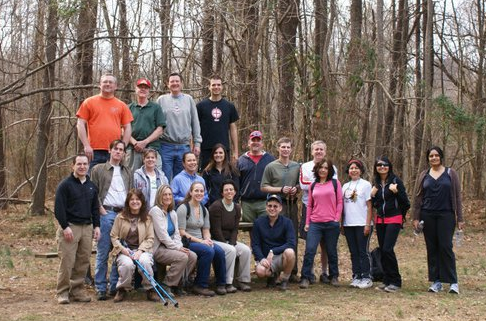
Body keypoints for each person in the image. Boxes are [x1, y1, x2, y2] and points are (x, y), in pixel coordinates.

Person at [412, 146, 464, 294]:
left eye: (436, 155)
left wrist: (460, 218)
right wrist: (416, 217)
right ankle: (436, 281)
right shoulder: (424, 174)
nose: (433, 158)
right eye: (431, 156)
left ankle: (453, 282)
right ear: (428, 159)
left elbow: (458, 197)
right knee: (432, 248)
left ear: (441, 157)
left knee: (446, 247)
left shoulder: (450, 173)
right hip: (427, 215)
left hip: (446, 215)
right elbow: (418, 197)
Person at [54, 154, 101, 304]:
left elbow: (95, 208)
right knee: (67, 261)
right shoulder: (65, 185)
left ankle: (77, 290)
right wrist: (65, 227)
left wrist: (97, 226)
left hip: (87, 227)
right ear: (72, 166)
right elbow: (58, 208)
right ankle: (62, 292)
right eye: (79, 164)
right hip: (70, 227)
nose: (82, 167)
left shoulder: (92, 186)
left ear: (88, 166)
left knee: (83, 261)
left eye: (85, 164)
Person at [91, 140, 133, 300]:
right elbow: (93, 192)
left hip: (123, 215)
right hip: (106, 212)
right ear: (110, 150)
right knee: (103, 251)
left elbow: (130, 194)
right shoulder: (98, 169)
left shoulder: (127, 171)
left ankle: (115, 285)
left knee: (120, 251)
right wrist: (100, 210)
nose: (118, 152)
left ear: (124, 153)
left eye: (121, 150)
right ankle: (100, 286)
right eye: (116, 149)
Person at [177, 182, 227, 296]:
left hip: (201, 241)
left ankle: (221, 284)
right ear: (190, 192)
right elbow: (181, 232)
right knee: (208, 251)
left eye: (201, 191)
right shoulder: (183, 208)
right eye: (196, 191)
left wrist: (208, 240)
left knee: (219, 251)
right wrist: (202, 242)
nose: (199, 193)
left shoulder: (204, 209)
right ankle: (200, 285)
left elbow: (205, 230)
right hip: (186, 242)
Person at [261, 137, 300, 281]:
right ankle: (275, 270)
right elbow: (264, 186)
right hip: (277, 205)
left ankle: (293, 271)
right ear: (278, 148)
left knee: (293, 236)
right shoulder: (271, 166)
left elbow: (300, 184)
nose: (285, 150)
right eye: (283, 147)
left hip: (292, 204)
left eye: (288, 147)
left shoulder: (297, 166)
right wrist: (280, 189)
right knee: (277, 237)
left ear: (291, 149)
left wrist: (296, 189)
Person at [299, 159, 343, 289]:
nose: (323, 170)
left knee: (331, 250)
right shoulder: (313, 185)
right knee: (310, 250)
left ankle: (334, 276)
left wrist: (337, 218)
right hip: (315, 223)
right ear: (317, 169)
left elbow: (340, 202)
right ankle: (305, 277)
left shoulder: (335, 183)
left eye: (326, 168)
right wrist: (307, 222)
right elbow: (310, 205)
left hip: (331, 223)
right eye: (321, 168)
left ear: (329, 170)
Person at [110, 189, 158, 302]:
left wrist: (140, 251)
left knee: (145, 262)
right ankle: (122, 289)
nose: (135, 202)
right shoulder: (120, 217)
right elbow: (113, 237)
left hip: (142, 250)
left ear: (142, 202)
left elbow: (150, 238)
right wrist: (122, 250)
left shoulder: (147, 218)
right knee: (127, 264)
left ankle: (150, 289)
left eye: (137, 199)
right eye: (132, 199)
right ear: (128, 202)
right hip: (125, 250)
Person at [76, 73, 133, 169]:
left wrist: (122, 148)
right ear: (100, 85)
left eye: (110, 82)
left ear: (115, 86)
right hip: (93, 151)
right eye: (105, 82)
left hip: (114, 151)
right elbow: (80, 123)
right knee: (93, 182)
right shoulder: (89, 102)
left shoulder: (121, 105)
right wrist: (86, 145)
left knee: (112, 182)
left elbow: (127, 127)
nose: (107, 84)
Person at [371, 156, 410, 293]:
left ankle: (396, 281)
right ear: (376, 168)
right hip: (380, 220)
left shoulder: (395, 181)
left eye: (385, 165)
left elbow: (406, 202)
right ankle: (386, 280)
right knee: (383, 250)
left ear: (389, 166)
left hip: (394, 218)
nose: (382, 167)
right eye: (379, 165)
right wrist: (373, 195)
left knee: (388, 249)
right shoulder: (376, 184)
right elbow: (376, 205)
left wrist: (396, 192)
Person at [149, 185, 197, 296]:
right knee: (182, 257)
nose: (167, 197)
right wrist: (178, 248)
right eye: (164, 194)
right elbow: (162, 236)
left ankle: (178, 284)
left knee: (192, 256)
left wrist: (179, 246)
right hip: (158, 248)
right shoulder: (155, 211)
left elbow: (176, 234)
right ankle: (167, 285)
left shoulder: (173, 213)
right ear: (159, 196)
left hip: (170, 246)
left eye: (170, 194)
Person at [209, 179, 252, 292]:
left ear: (235, 192)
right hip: (216, 240)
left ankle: (243, 280)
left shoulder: (237, 207)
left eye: (231, 189)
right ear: (222, 193)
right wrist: (227, 244)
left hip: (229, 241)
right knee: (231, 250)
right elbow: (216, 230)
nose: (229, 192)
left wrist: (232, 242)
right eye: (226, 190)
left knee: (246, 250)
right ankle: (227, 282)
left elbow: (235, 229)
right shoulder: (216, 206)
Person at [157, 72, 202, 181]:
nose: (175, 83)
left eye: (177, 81)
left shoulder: (189, 99)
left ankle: (180, 199)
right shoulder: (161, 100)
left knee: (182, 179)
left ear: (182, 84)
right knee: (165, 179)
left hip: (184, 146)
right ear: (167, 84)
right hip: (165, 146)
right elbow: (156, 124)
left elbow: (195, 122)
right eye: (172, 81)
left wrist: (197, 143)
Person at [251, 194, 296, 291]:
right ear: (266, 207)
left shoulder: (287, 222)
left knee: (290, 252)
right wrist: (261, 258)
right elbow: (255, 244)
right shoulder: (258, 223)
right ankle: (272, 276)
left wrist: (273, 251)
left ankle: (285, 279)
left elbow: (291, 243)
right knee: (260, 271)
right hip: (266, 258)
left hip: (281, 257)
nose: (272, 209)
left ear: (280, 208)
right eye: (270, 206)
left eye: (275, 206)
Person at [341, 159, 373, 289]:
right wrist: (342, 223)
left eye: (356, 168)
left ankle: (367, 277)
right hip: (349, 223)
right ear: (348, 171)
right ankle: (357, 276)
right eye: (351, 168)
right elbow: (342, 207)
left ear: (361, 170)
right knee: (353, 251)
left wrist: (367, 224)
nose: (353, 170)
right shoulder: (345, 186)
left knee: (362, 251)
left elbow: (370, 206)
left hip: (362, 223)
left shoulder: (366, 185)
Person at [197, 75, 239, 170]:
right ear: (209, 87)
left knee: (224, 176)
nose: (216, 87)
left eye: (219, 85)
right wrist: (195, 147)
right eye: (213, 85)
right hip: (206, 149)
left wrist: (235, 151)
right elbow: (195, 129)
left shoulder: (229, 106)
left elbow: (233, 129)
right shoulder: (200, 106)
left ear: (222, 87)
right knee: (206, 176)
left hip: (224, 149)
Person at [126, 78, 166, 171]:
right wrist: (135, 143)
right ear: (136, 89)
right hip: (133, 149)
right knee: (131, 178)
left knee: (155, 176)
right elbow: (123, 129)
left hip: (152, 148)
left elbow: (160, 129)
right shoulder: (129, 108)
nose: (143, 89)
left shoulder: (156, 107)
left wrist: (145, 142)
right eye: (140, 87)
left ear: (149, 91)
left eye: (145, 87)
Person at [238, 130, 275, 222]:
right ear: (248, 143)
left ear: (262, 143)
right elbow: (237, 182)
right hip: (246, 202)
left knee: (265, 227)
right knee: (251, 229)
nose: (255, 143)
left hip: (265, 201)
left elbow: (274, 180)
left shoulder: (270, 160)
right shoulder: (241, 161)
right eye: (253, 140)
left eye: (258, 140)